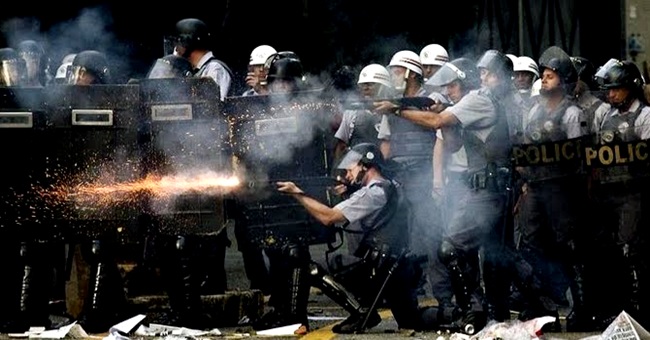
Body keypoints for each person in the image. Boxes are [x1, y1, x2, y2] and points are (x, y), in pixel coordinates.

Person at [374, 49, 515, 332]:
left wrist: (398, 110)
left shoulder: (479, 99)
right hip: (479, 189)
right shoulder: (471, 103)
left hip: (486, 189)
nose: (448, 91)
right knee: (492, 253)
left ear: (467, 82)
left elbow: (437, 124)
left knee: (453, 247)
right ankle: (490, 308)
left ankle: (474, 308)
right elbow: (451, 144)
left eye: (452, 85)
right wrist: (439, 114)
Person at [276, 142, 423, 334]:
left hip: (375, 267)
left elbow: (328, 217)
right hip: (390, 266)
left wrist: (298, 194)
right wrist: (348, 192)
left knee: (309, 268)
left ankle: (360, 312)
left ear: (365, 165)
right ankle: (454, 314)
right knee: (410, 320)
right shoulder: (389, 186)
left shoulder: (374, 192)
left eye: (351, 168)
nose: (348, 174)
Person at [589, 59, 650, 331]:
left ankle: (642, 312)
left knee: (632, 251)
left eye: (617, 89)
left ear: (631, 88)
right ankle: (619, 309)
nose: (610, 94)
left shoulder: (645, 116)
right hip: (608, 194)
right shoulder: (606, 115)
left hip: (635, 194)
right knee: (609, 254)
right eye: (609, 89)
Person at [172, 18, 233, 100]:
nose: (176, 48)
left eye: (178, 42)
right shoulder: (193, 71)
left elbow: (212, 106)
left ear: (188, 42)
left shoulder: (215, 69)